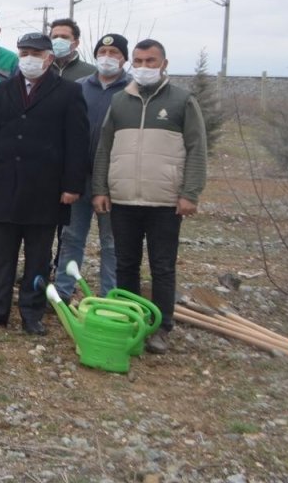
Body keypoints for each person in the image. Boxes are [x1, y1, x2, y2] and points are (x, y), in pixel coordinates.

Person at [92, 38, 207, 354]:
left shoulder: (182, 101)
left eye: (151, 61)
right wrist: (100, 189)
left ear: (164, 64)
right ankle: (131, 319)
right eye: (139, 61)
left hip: (165, 201)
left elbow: (197, 148)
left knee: (162, 266)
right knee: (126, 263)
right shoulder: (119, 101)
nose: (143, 67)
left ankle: (161, 327)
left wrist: (190, 193)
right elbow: (105, 147)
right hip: (124, 199)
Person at [0, 32, 88, 335]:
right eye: (24, 52)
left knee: (38, 257)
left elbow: (77, 143)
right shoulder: (2, 90)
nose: (28, 58)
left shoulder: (69, 92)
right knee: (2, 254)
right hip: (5, 185)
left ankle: (31, 313)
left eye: (35, 53)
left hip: (45, 190)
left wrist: (72, 185)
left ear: (49, 58)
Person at [53, 33, 130, 300]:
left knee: (112, 243)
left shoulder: (131, 90)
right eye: (103, 53)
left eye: (114, 54)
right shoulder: (80, 87)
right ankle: (63, 291)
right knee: (71, 237)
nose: (107, 58)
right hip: (78, 177)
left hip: (113, 180)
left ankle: (111, 298)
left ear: (124, 59)